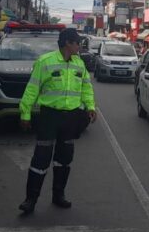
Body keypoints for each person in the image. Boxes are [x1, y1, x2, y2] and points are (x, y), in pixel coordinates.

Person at [18, 28, 96, 214]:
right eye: (77, 42)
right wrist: (25, 114)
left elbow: (86, 87)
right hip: (49, 117)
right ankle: (30, 200)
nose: (80, 46)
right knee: (41, 160)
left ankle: (58, 195)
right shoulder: (45, 62)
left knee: (64, 159)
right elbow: (32, 89)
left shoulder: (79, 64)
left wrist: (90, 106)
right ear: (68, 43)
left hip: (70, 118)